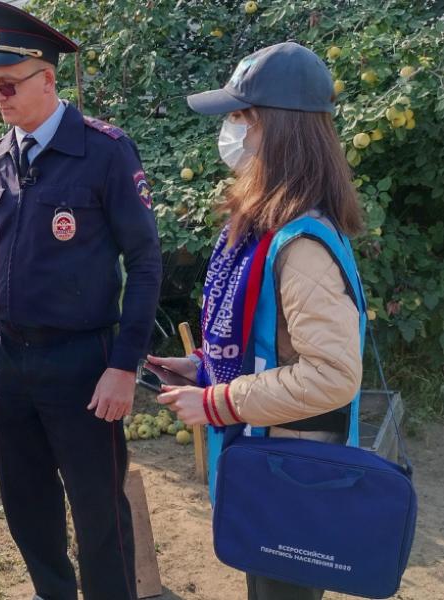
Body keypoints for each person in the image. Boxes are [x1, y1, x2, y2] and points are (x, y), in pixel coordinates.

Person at [0, 2, 162, 598]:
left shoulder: (105, 152)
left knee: (98, 511)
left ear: (48, 79)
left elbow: (145, 263)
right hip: (8, 359)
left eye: (9, 84)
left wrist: (123, 365)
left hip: (83, 362)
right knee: (26, 505)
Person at [149, 42, 366, 600]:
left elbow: (333, 375)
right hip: (269, 465)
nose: (230, 131)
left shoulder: (302, 245)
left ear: (279, 128)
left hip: (293, 476)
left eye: (241, 117)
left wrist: (217, 401)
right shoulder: (271, 227)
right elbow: (271, 342)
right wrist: (204, 367)